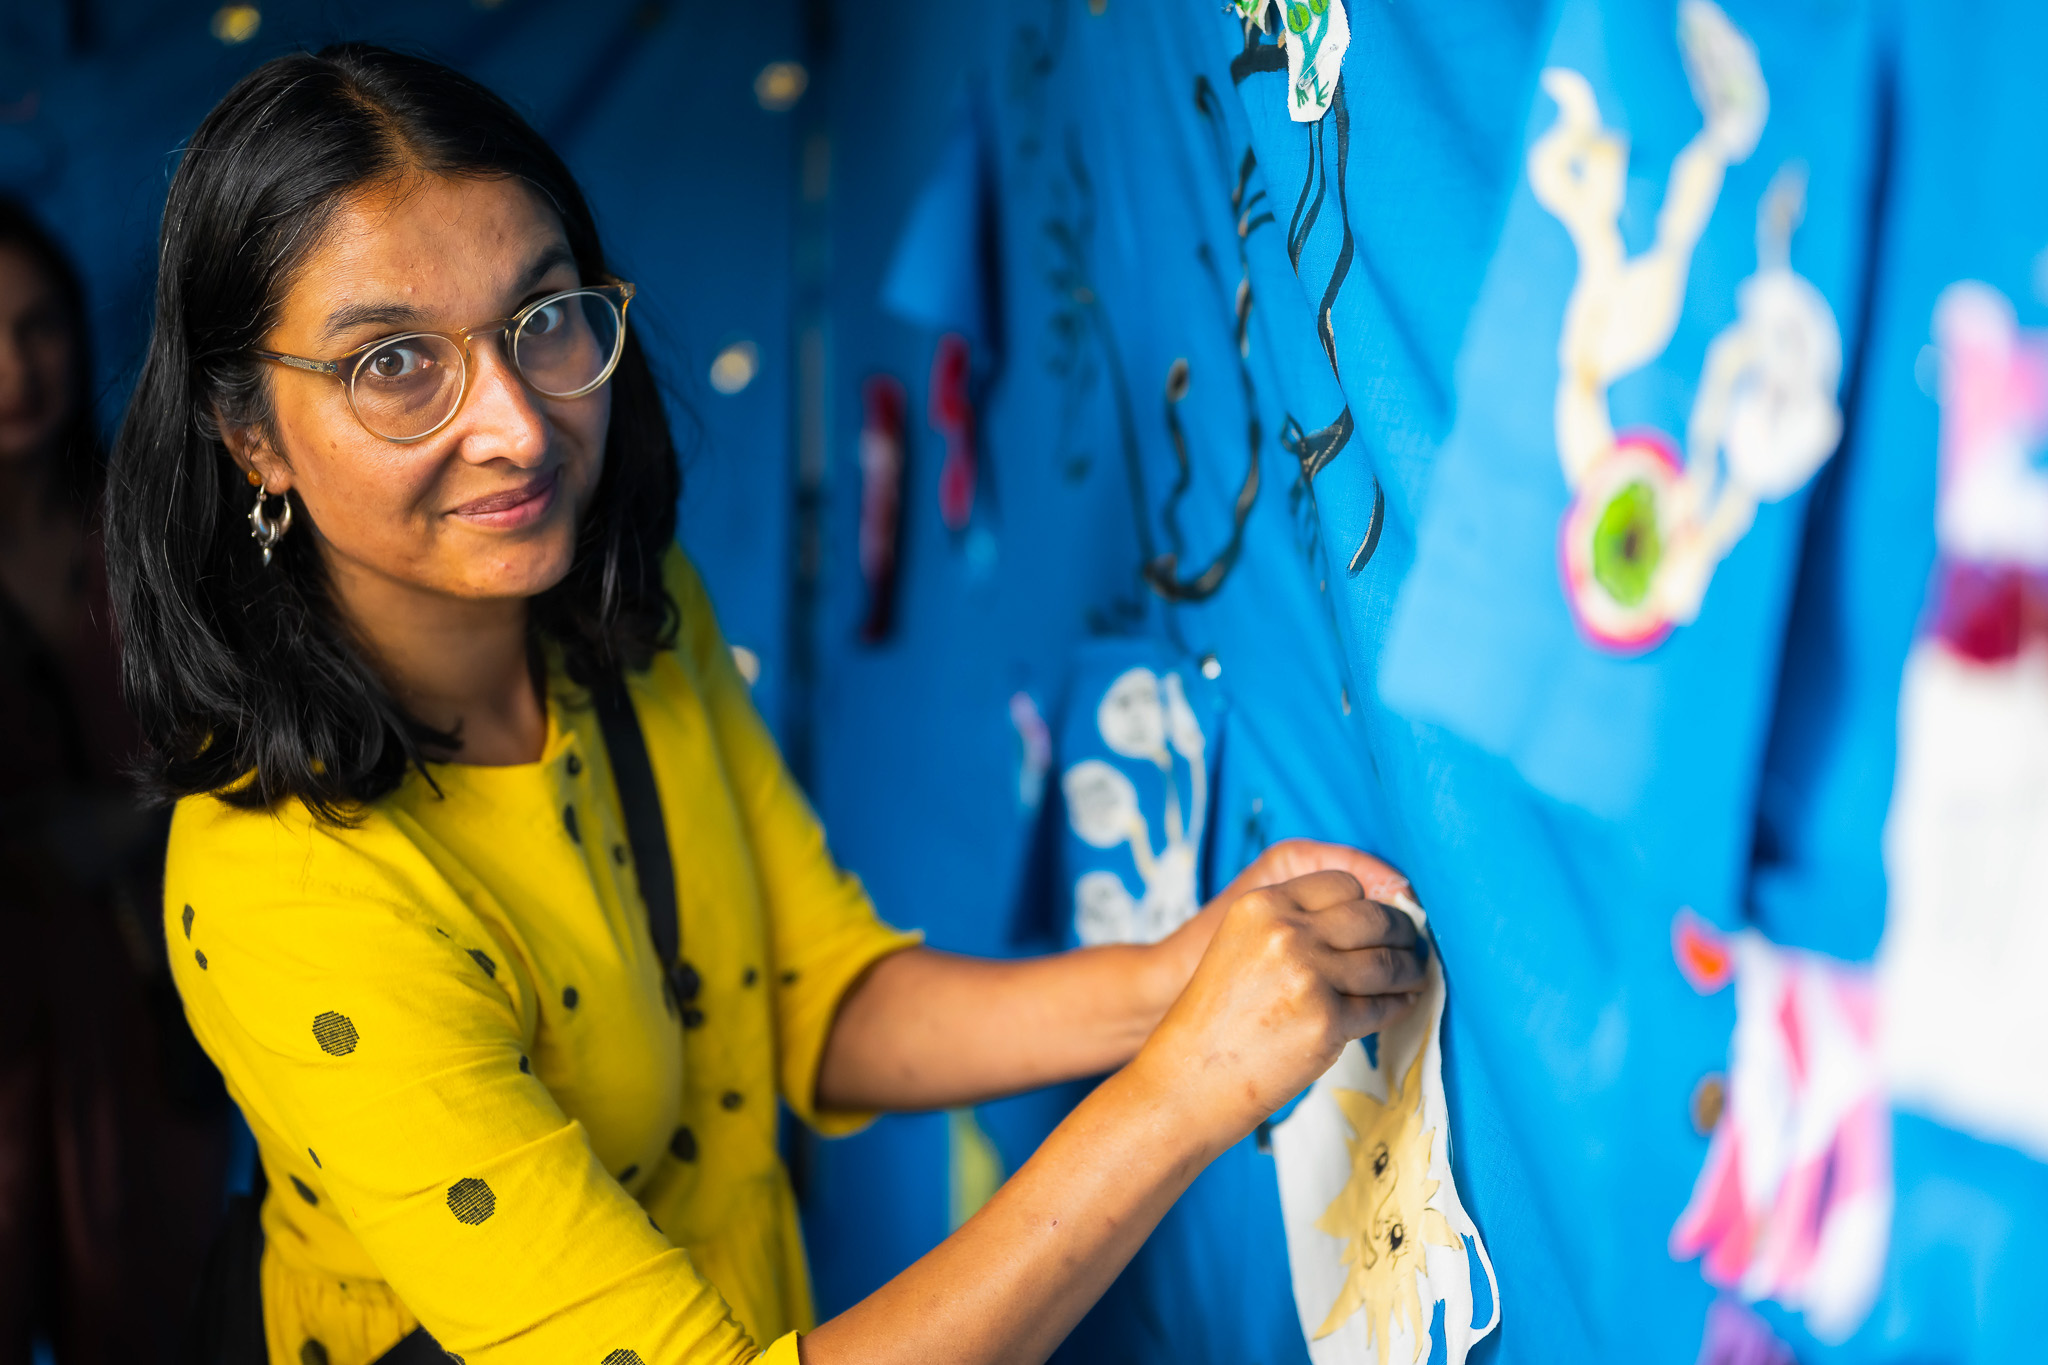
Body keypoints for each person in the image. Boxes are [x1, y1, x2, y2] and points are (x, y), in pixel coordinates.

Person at [103, 46, 1427, 1365]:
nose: (515, 424)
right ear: (251, 434)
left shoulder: (611, 612)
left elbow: (811, 999)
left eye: (543, 317)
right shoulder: (282, 892)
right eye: (394, 363)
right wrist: (1184, 1090)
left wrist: (1172, 979)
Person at [0, 196, 232, 1363]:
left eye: (38, 328)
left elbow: (245, 741)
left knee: (151, 1314)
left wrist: (131, 821)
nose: (14, 370)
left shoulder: (149, 529)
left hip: (155, 1007)